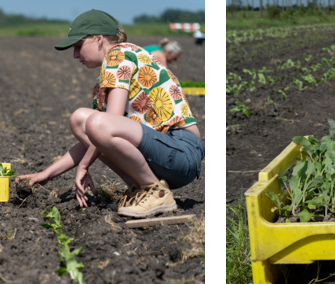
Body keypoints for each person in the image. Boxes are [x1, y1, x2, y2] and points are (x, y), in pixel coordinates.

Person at [17, 9, 203, 218]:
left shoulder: (118, 54)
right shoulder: (105, 79)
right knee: (81, 122)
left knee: (91, 121)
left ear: (99, 39)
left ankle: (155, 192)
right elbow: (96, 137)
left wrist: (84, 167)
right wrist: (46, 175)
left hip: (182, 152)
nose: (75, 55)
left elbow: (106, 124)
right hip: (164, 157)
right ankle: (143, 190)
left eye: (78, 46)